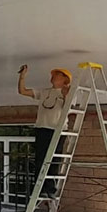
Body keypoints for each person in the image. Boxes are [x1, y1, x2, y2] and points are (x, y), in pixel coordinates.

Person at [18, 65, 71, 197]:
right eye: (53, 75)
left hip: (57, 130)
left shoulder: (68, 93)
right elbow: (22, 91)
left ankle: (50, 188)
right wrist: (22, 76)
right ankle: (39, 188)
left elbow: (67, 109)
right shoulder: (44, 92)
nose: (53, 77)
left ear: (64, 79)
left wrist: (66, 96)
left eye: (57, 75)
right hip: (42, 128)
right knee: (40, 159)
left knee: (54, 159)